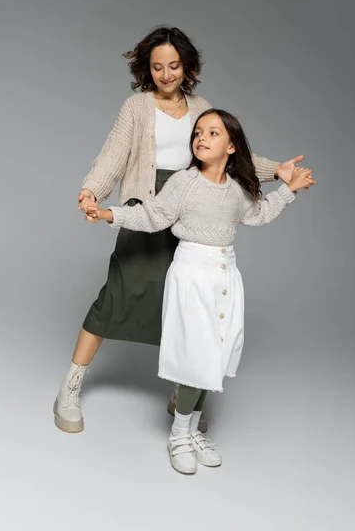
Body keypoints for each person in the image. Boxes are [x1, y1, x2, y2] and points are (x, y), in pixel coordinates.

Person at [53, 26, 314, 436]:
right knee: (116, 295)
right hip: (148, 204)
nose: (166, 74)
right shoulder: (136, 108)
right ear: (147, 69)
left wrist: (276, 170)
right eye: (157, 67)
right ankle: (70, 387)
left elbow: (233, 152)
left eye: (174, 65)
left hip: (192, 209)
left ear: (187, 66)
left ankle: (184, 394)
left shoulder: (201, 107)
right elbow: (114, 154)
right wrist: (92, 191)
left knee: (186, 305)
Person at [84, 108, 315, 474]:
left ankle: (191, 431)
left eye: (212, 133)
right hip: (191, 274)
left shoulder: (237, 189)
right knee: (197, 356)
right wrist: (110, 214)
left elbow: (258, 214)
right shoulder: (184, 182)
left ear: (232, 146)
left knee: (215, 354)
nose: (201, 138)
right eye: (197, 133)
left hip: (225, 275)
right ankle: (178, 434)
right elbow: (153, 215)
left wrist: (288, 190)